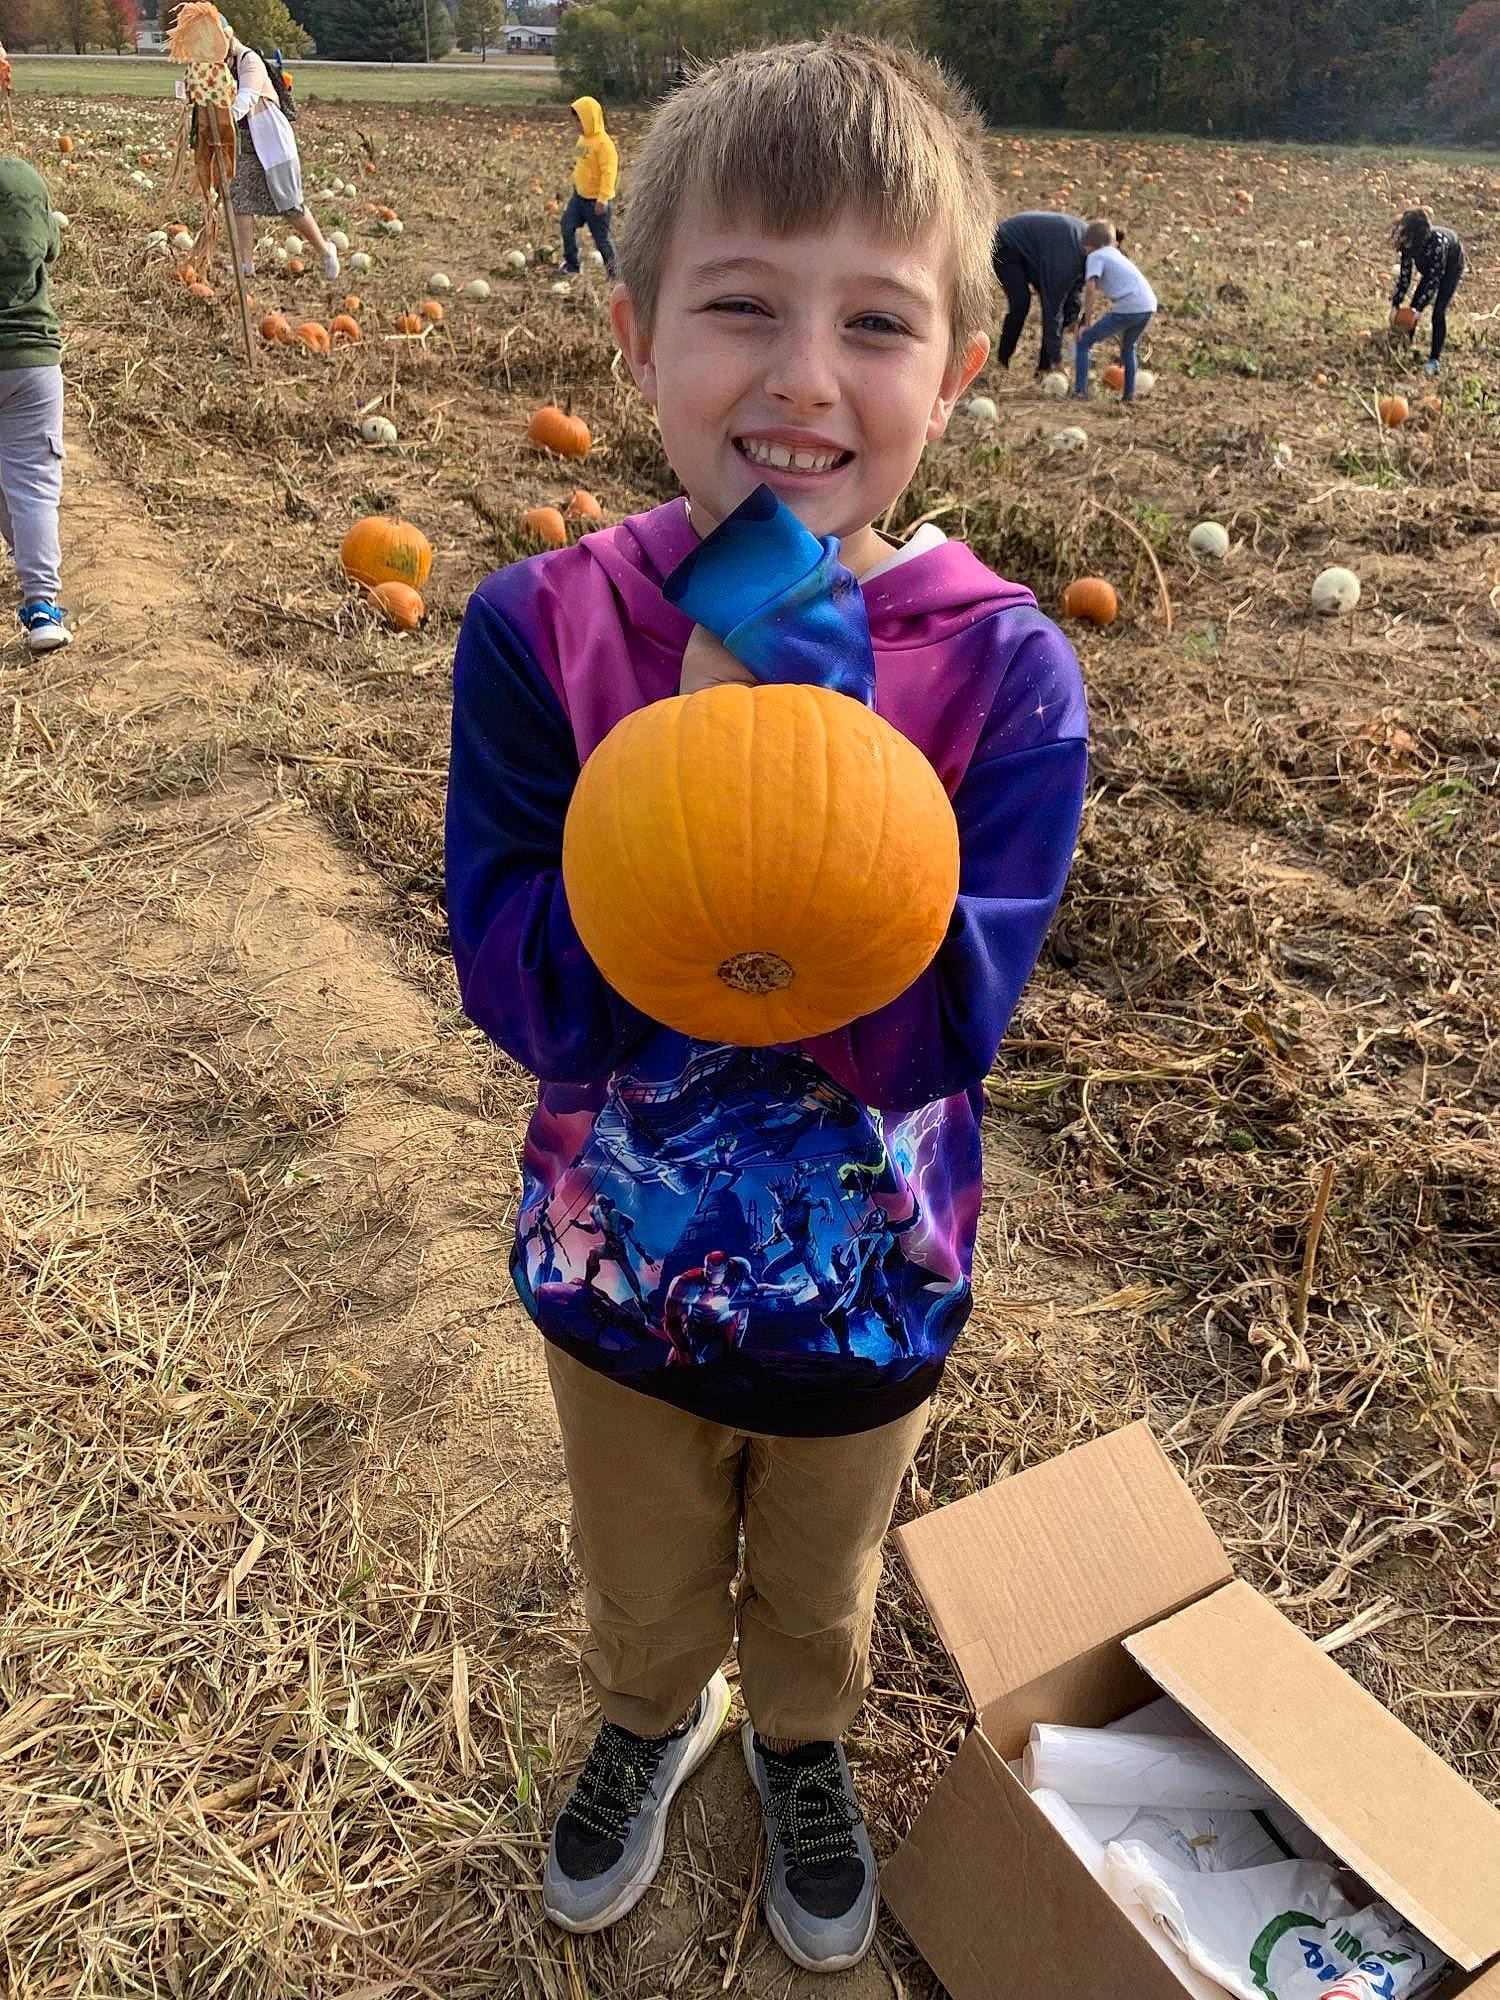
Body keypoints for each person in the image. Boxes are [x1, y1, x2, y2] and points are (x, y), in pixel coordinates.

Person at [445, 35, 1087, 1974]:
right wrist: (706, 722)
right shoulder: (537, 636)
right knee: (643, 1580)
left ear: (957, 377)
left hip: (869, 1280)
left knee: (818, 1591)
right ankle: (655, 1716)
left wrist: (794, 736)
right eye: (741, 306)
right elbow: (526, 983)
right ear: (636, 338)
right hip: (610, 1266)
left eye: (877, 323)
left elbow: (940, 1023)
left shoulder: (1003, 673)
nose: (806, 377)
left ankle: (794, 1737)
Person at [0, 157, 70, 652]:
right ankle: (42, 607)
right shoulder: (25, 178)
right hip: (29, 358)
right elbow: (53, 248)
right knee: (32, 483)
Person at [225, 31, 337, 282]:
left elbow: (247, 97)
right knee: (239, 200)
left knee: (290, 205)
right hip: (246, 143)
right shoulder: (223, 65)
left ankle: (325, 249)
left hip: (272, 143)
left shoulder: (249, 61)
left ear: (227, 37)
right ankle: (245, 263)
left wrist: (225, 118)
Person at [991, 209, 1087, 375]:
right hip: (1007, 244)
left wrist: (1073, 318)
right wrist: (1057, 359)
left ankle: (1043, 368)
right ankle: (1002, 362)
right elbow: (1053, 309)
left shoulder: (1090, 252)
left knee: (1060, 313)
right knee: (1021, 303)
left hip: (1038, 255)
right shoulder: (1068, 258)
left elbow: (1075, 288)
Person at [1073, 218, 1156, 402]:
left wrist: (1086, 322)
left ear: (1088, 246)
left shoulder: (1096, 256)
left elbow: (1090, 288)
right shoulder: (1115, 254)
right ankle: (1129, 395)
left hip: (1131, 305)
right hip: (1148, 304)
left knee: (1084, 341)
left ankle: (1080, 392)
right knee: (1129, 347)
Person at [1390, 207, 1465, 376]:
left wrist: (1420, 309)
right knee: (1411, 307)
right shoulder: (1408, 246)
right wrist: (1395, 304)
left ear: (1417, 234)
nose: (1402, 237)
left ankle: (1434, 360)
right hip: (1431, 270)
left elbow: (1435, 280)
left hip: (1450, 270)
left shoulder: (1438, 244)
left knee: (1438, 312)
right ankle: (1404, 347)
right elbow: (1405, 278)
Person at [561, 95, 617, 279]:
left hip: (596, 202)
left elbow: (609, 173)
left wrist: (603, 199)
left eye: (579, 120)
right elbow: (579, 162)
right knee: (567, 226)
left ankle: (615, 274)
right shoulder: (582, 140)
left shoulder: (604, 145)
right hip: (579, 197)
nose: (577, 124)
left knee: (602, 240)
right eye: (576, 120)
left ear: (589, 118)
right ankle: (572, 266)